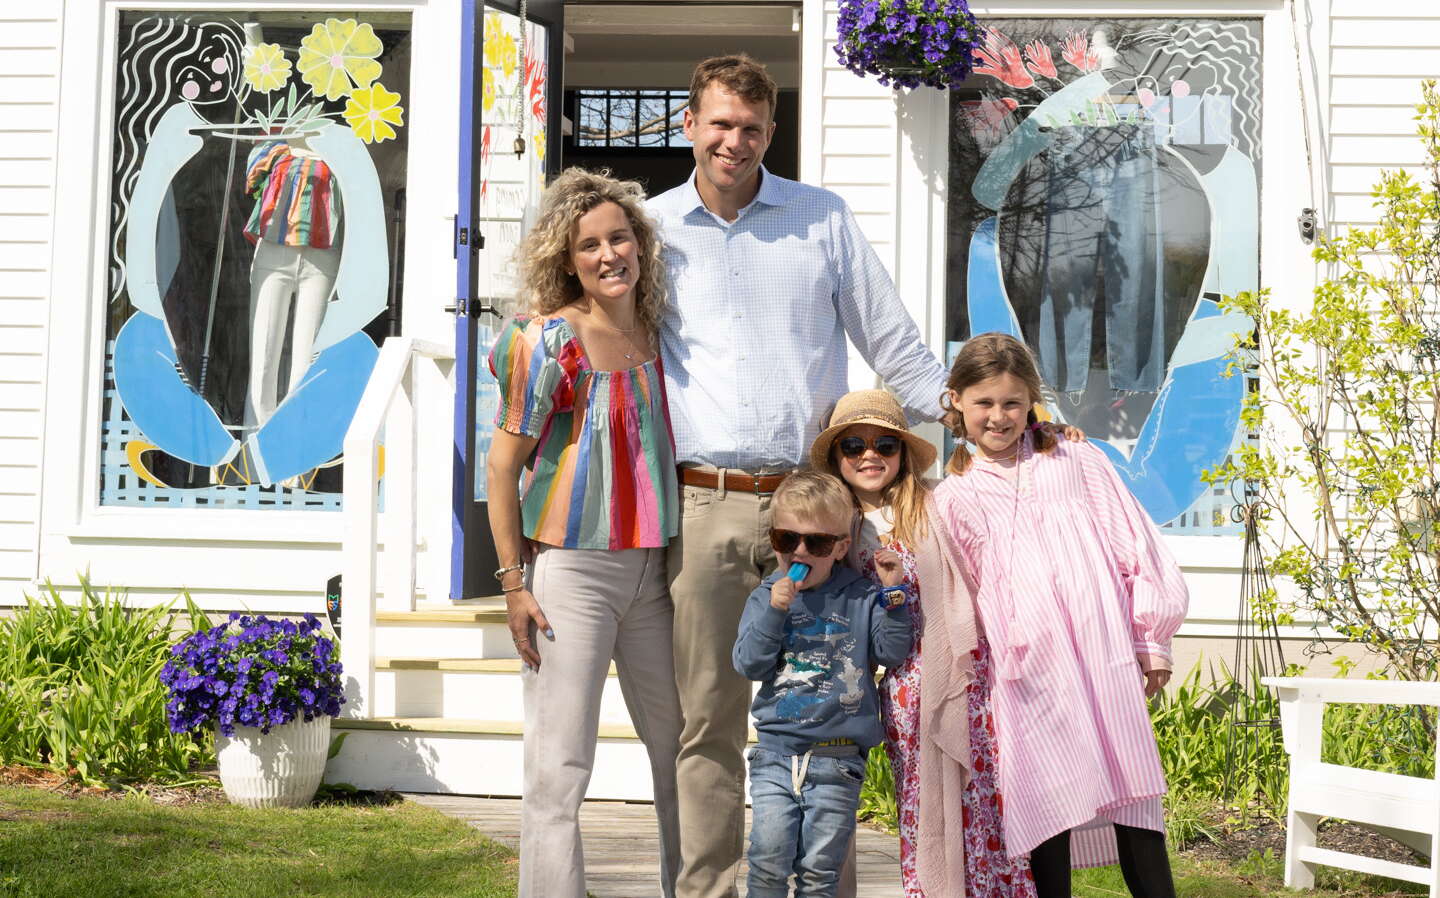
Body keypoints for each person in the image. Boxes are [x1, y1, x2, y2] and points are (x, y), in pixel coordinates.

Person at [649, 53, 950, 898]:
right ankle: (709, 890)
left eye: (750, 127)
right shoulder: (652, 226)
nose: (733, 141)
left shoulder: (821, 219)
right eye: (718, 124)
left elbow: (893, 343)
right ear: (690, 126)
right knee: (707, 720)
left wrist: (975, 417)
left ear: (770, 133)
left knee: (831, 717)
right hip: (703, 503)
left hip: (813, 506)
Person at [931, 333, 1188, 898]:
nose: (998, 417)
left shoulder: (1074, 459)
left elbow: (1135, 547)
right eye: (984, 403)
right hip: (1027, 669)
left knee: (1133, 792)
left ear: (1032, 403)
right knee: (1047, 801)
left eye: (1012, 403)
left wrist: (1152, 640)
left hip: (1103, 653)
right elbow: (965, 595)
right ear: (956, 402)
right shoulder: (954, 497)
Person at [486, 168, 683, 898]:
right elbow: (501, 468)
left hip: (657, 572)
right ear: (566, 260)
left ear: (641, 243)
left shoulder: (662, 335)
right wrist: (512, 584)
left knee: (682, 750)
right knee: (559, 766)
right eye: (590, 245)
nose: (609, 255)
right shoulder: (547, 343)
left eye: (620, 237)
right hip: (572, 572)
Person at [813, 390, 1083, 897]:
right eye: (853, 445)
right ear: (836, 457)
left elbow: (1008, 477)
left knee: (991, 804)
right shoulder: (834, 528)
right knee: (928, 809)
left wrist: (1048, 433)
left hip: (972, 674)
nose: (870, 455)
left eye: (885, 445)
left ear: (903, 454)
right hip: (906, 689)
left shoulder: (940, 501)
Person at [732, 470, 912, 898]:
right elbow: (748, 664)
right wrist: (775, 611)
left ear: (841, 547)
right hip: (776, 755)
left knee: (819, 873)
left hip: (838, 760)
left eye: (816, 543)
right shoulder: (764, 595)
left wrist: (894, 594)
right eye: (785, 539)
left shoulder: (861, 595)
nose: (799, 551)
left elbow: (890, 653)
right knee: (768, 862)